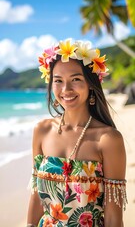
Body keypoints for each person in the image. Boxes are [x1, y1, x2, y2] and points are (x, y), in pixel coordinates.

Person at [26, 39, 127, 227]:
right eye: (58, 81)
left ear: (90, 84)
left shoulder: (108, 139)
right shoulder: (42, 130)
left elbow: (114, 215)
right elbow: (36, 197)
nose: (66, 89)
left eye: (76, 79)